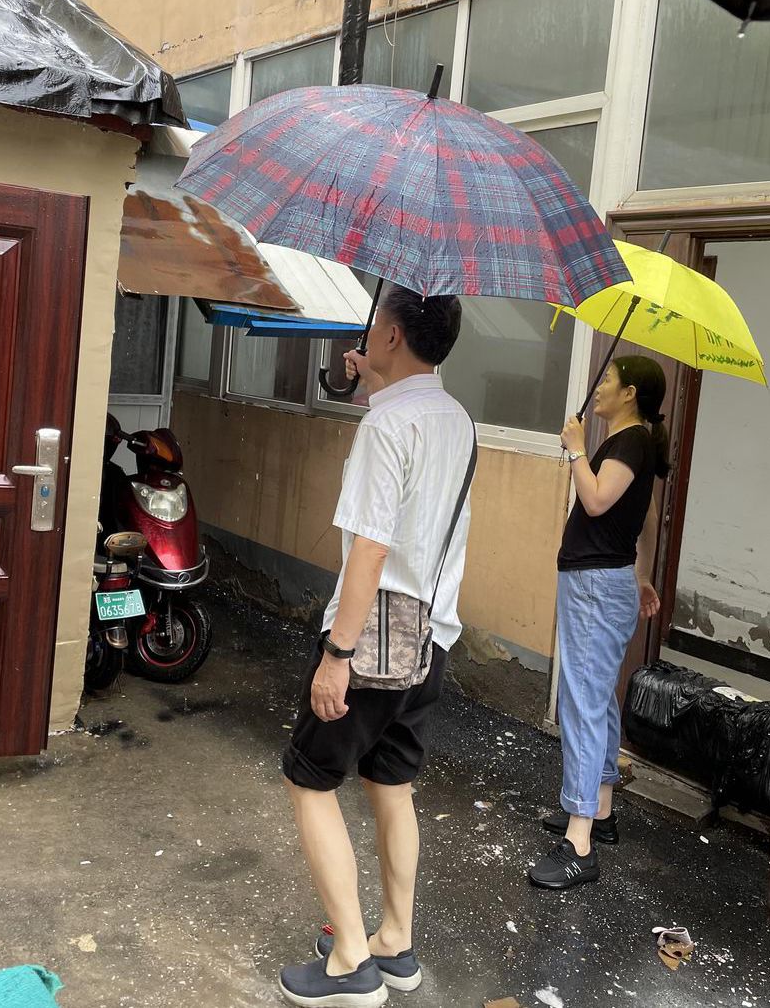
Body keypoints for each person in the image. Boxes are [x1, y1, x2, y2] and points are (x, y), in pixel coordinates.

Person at [278, 285, 473, 1007]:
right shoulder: (455, 418)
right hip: (431, 636)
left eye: (377, 324)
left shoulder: (387, 430)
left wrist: (337, 654)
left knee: (309, 778)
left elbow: (371, 549)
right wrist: (374, 386)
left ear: (390, 335)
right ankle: (395, 940)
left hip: (371, 641)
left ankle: (349, 962)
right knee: (392, 783)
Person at [529, 355, 669, 891]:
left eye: (607, 380)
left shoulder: (628, 442)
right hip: (606, 581)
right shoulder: (634, 445)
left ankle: (580, 843)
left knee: (583, 704)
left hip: (593, 585)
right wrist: (642, 577)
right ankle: (601, 810)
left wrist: (577, 450)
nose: (600, 387)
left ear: (629, 393)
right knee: (598, 698)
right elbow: (645, 518)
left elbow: (595, 499)